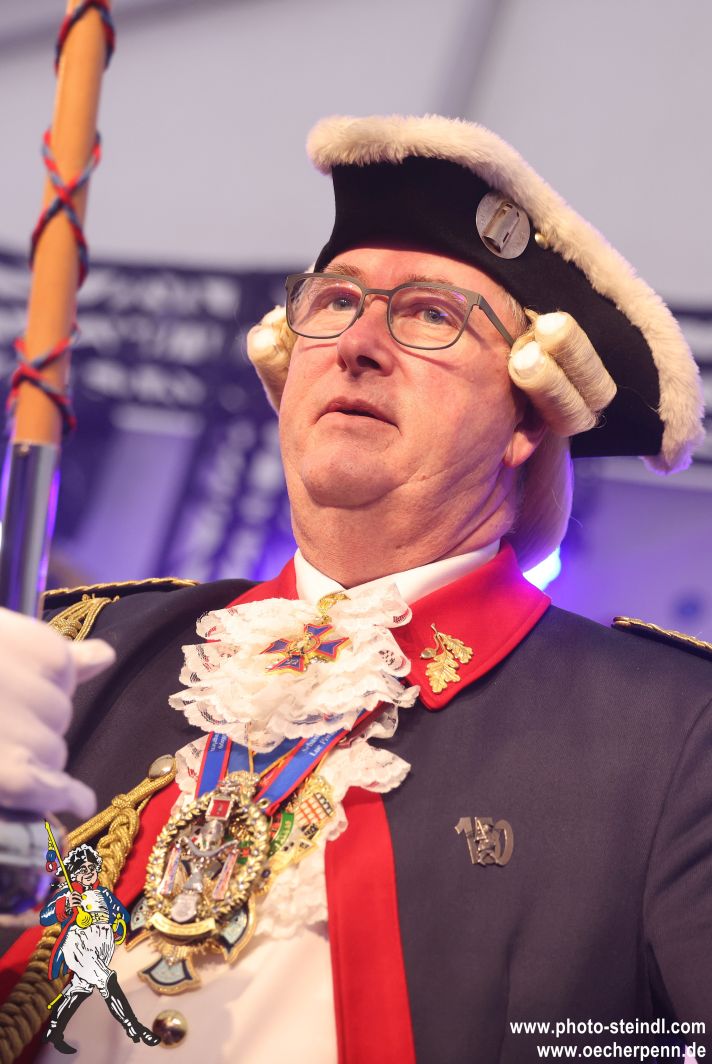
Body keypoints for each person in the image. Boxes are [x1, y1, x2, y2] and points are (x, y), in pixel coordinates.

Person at [0, 114, 709, 1063]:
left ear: (526, 423)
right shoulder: (79, 652)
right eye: (334, 301)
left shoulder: (670, 735)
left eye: (431, 315)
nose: (359, 343)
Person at [38, 844, 158, 1053]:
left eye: (91, 868)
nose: (88, 872)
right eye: (82, 869)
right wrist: (66, 905)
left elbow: (122, 916)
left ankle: (54, 1030)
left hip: (102, 947)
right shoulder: (68, 893)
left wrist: (118, 926)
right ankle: (134, 1028)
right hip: (79, 945)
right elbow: (45, 916)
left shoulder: (104, 893)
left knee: (80, 989)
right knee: (107, 979)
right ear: (74, 873)